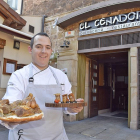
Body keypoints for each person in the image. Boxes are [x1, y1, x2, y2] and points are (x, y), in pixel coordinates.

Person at [1, 32, 84, 140]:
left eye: (47, 47)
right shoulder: (19, 75)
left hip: (57, 136)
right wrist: (8, 116)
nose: (43, 51)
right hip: (25, 137)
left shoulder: (60, 76)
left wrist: (73, 108)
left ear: (51, 51)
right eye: (39, 47)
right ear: (30, 49)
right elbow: (11, 102)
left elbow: (67, 105)